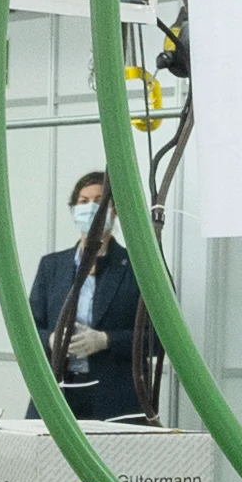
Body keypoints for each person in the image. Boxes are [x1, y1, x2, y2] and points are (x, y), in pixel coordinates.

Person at [29, 168, 160, 421]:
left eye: (100, 201)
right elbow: (29, 327)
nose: (91, 208)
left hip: (117, 400)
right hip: (58, 393)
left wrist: (106, 340)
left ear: (115, 211)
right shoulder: (52, 266)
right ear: (73, 210)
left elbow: (158, 341)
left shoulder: (138, 268)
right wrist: (52, 339)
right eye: (83, 202)